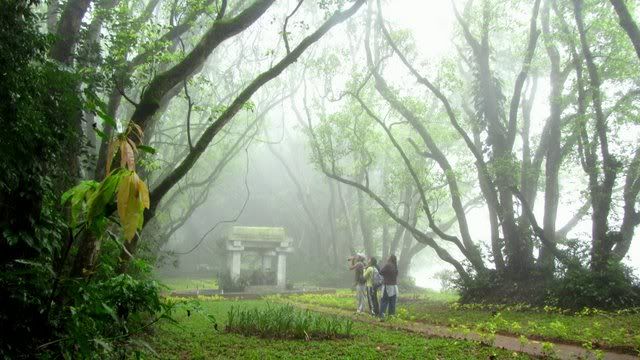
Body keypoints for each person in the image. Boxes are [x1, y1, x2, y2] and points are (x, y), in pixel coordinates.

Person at [379, 254, 398, 320]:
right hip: (394, 286)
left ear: (390, 258)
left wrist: (385, 275)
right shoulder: (395, 266)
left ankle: (382, 316)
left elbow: (381, 272)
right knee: (392, 301)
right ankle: (391, 316)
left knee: (384, 300)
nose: (387, 257)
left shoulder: (388, 265)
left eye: (388, 256)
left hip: (387, 285)